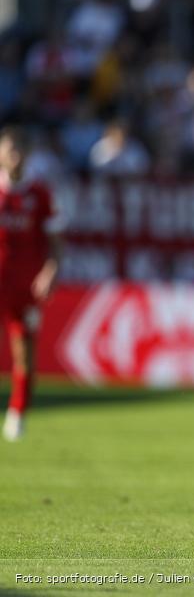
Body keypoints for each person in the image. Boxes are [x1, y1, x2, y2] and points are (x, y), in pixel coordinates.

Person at [0, 127, 64, 442]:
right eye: (9, 150)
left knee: (24, 351)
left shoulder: (39, 194)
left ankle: (17, 411)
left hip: (26, 286)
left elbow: (56, 241)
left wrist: (50, 271)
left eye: (18, 150)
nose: (14, 156)